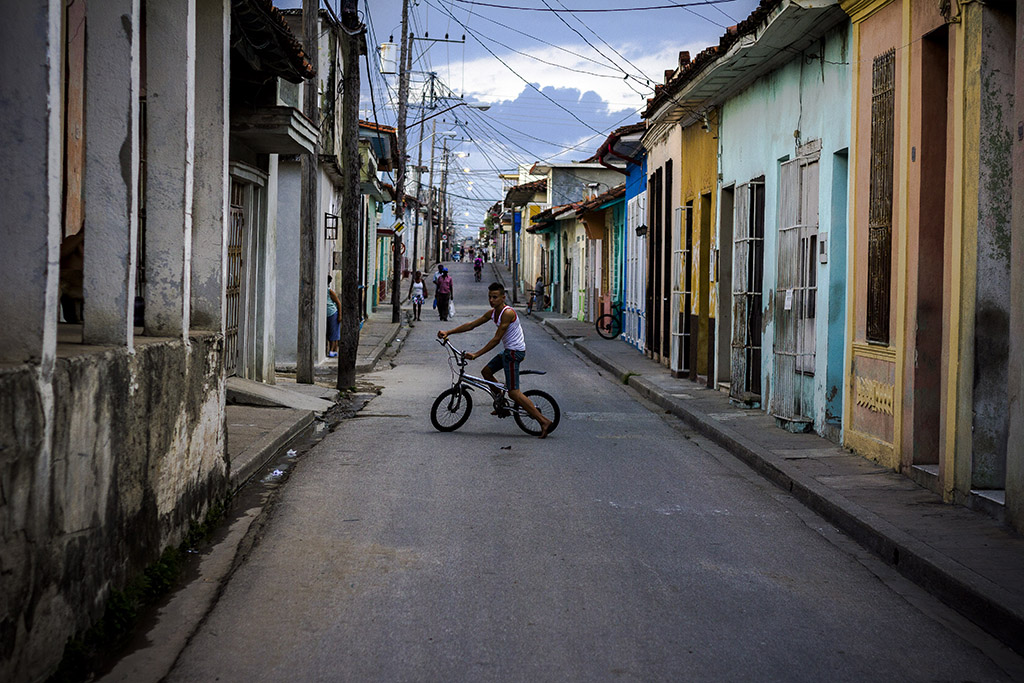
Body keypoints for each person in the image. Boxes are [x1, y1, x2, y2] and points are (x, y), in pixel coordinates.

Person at [437, 282, 553, 438]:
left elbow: (496, 339)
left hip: (514, 353)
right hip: (508, 351)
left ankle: (543, 421)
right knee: (486, 372)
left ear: (503, 298)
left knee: (514, 392)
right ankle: (501, 404)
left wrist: (476, 354)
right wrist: (448, 332)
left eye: (495, 297)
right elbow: (471, 325)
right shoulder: (493, 313)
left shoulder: (507, 313)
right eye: (490, 297)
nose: (491, 300)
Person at [326, 276, 341, 357]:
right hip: (327, 314)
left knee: (333, 332)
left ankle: (332, 350)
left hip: (332, 313)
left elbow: (338, 303)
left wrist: (340, 315)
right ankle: (334, 350)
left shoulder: (330, 291)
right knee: (329, 332)